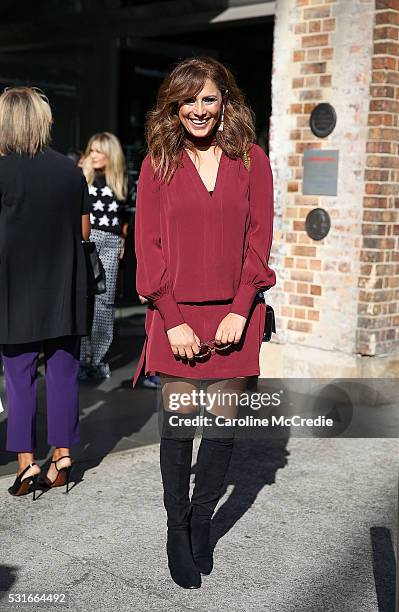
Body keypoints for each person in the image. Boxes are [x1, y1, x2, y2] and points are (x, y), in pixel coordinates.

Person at [133, 57, 275, 588]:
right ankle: (176, 528)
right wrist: (170, 319)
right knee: (178, 431)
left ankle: (200, 525)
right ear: (173, 105)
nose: (199, 110)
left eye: (208, 99)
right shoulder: (157, 164)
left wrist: (242, 309)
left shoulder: (252, 160)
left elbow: (258, 240)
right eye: (188, 100)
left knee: (220, 435)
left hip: (235, 320)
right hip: (177, 321)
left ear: (225, 102)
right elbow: (148, 247)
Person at [0, 86, 91, 498]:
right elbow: (84, 230)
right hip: (65, 287)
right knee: (63, 373)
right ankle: (63, 456)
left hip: (14, 289)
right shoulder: (70, 171)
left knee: (19, 378)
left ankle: (25, 464)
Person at [79, 132, 131, 379]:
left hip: (110, 242)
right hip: (85, 241)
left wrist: (122, 240)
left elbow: (125, 217)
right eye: (91, 150)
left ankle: (98, 360)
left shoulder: (121, 181)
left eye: (99, 151)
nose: (94, 155)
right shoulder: (82, 177)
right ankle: (81, 360)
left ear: (111, 154)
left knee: (104, 302)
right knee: (82, 300)